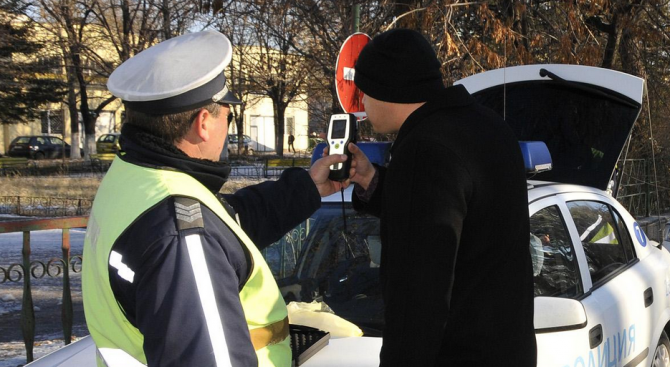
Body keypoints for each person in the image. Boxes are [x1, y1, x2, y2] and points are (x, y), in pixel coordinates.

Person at [81, 30, 348, 367]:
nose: (228, 127)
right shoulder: (184, 232)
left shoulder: (134, 179)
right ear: (204, 122)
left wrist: (307, 188)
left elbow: (228, 223)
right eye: (228, 115)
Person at [344, 29, 537, 366]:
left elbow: (418, 295)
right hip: (506, 350)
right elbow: (458, 213)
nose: (361, 103)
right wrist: (373, 180)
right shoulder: (485, 125)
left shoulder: (425, 149)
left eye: (365, 91)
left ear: (388, 88)